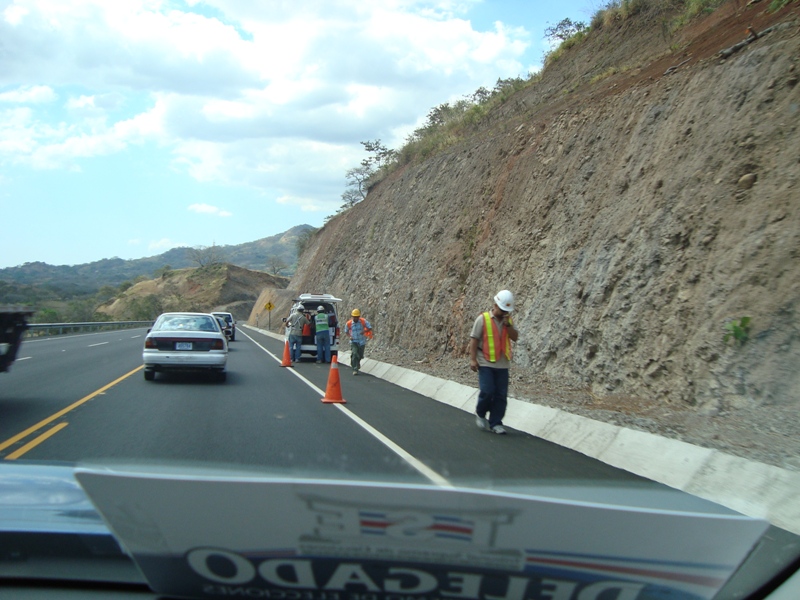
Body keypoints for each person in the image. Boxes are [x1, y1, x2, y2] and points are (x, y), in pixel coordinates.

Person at [469, 290, 519, 435]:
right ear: (495, 305)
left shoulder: (508, 321)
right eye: (502, 309)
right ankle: (480, 412)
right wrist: (473, 359)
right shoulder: (483, 319)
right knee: (487, 390)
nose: (504, 312)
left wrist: (508, 326)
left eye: (506, 311)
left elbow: (515, 337)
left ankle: (496, 423)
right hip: (485, 362)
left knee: (501, 395)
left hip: (503, 364)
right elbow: (474, 339)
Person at [345, 309, 372, 375]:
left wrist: (364, 331)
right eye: (354, 317)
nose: (355, 318)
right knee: (354, 353)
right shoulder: (349, 323)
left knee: (360, 355)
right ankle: (355, 369)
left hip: (361, 341)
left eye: (357, 317)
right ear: (352, 316)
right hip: (354, 341)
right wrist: (349, 336)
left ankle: (356, 362)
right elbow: (346, 331)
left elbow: (370, 327)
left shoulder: (363, 321)